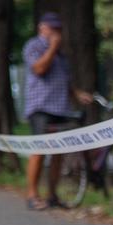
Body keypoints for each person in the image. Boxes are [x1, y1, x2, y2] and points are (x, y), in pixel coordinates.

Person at [22, 12, 92, 210]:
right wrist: (52, 47)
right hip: (41, 107)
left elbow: (64, 81)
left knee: (58, 151)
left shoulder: (62, 56)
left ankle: (53, 194)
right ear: (42, 28)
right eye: (52, 29)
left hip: (60, 108)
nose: (56, 33)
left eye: (58, 29)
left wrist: (77, 94)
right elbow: (39, 69)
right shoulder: (34, 46)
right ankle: (32, 195)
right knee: (39, 150)